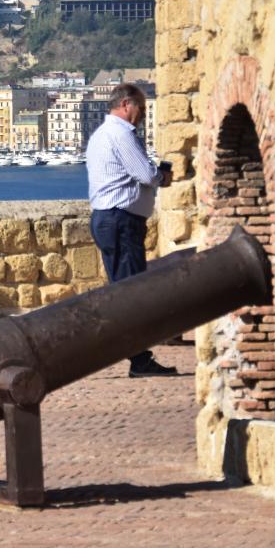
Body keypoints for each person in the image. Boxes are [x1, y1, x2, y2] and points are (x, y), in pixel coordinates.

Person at [86, 83, 176, 378]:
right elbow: (146, 174)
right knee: (131, 292)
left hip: (107, 218)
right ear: (126, 104)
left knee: (122, 288)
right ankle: (138, 360)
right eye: (141, 107)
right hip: (121, 221)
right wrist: (163, 177)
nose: (144, 114)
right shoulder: (122, 134)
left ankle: (135, 354)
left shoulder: (100, 134)